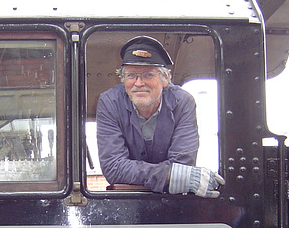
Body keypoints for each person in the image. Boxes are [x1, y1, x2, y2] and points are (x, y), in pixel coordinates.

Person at [96, 36, 224, 197]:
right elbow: (113, 168)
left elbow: (182, 165)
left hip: (171, 200)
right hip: (128, 200)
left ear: (166, 79)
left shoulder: (182, 102)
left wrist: (173, 174)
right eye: (131, 75)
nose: (139, 83)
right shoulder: (109, 102)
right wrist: (171, 175)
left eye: (148, 75)